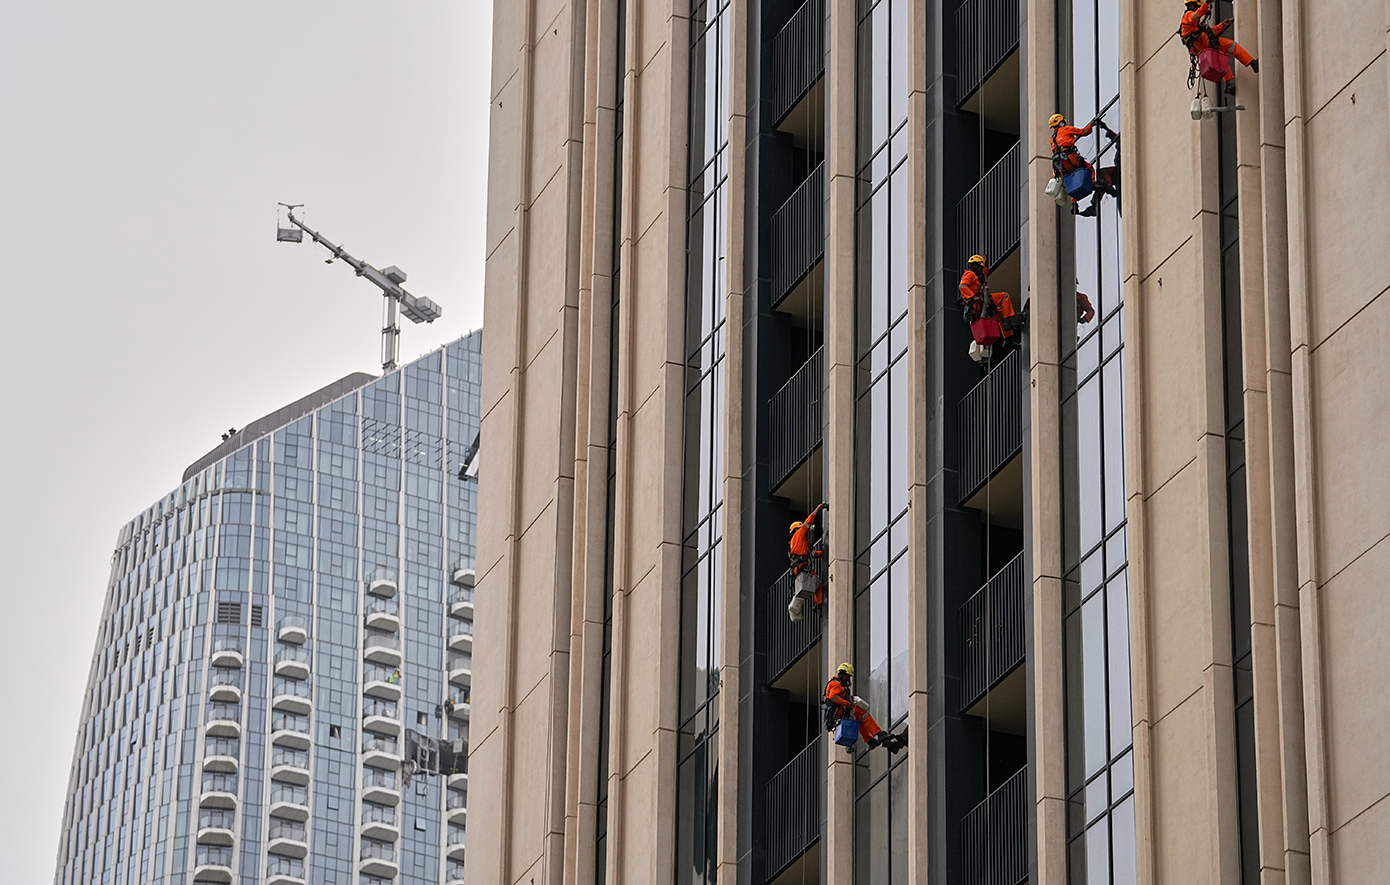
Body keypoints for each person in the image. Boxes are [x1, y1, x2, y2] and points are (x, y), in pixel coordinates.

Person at [823, 663, 907, 753]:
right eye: (847, 676)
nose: (848, 679)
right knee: (862, 713)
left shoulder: (835, 683)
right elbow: (833, 697)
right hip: (839, 710)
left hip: (838, 712)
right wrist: (847, 703)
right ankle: (878, 733)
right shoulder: (837, 684)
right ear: (842, 674)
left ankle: (870, 740)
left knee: (859, 718)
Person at [1050, 114, 1118, 216]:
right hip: (1070, 158)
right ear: (1061, 122)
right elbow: (1084, 132)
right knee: (1089, 168)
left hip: (1061, 165)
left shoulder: (1052, 138)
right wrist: (1092, 124)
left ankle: (1074, 203)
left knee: (1072, 180)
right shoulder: (1066, 129)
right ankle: (1094, 182)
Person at [1181, 1, 1258, 82]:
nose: (1198, 9)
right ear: (1192, 5)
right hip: (1202, 43)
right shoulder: (1187, 16)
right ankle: (1253, 63)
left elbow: (1209, 32)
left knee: (1220, 56)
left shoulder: (1193, 26)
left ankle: (1228, 84)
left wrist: (1223, 25)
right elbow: (1197, 15)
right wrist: (1206, 4)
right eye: (1197, 7)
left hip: (1200, 46)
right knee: (1231, 45)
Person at [960, 254, 1026, 340]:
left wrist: (985, 264)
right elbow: (962, 286)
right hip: (977, 304)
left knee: (1000, 313)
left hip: (979, 305)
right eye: (980, 267)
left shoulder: (977, 276)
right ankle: (1007, 322)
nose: (982, 270)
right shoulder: (970, 274)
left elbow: (984, 275)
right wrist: (972, 297)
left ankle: (1008, 337)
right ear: (975, 265)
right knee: (1004, 297)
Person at [787, 503, 827, 622]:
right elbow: (808, 522)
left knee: (813, 582)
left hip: (798, 567)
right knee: (816, 582)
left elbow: (812, 554)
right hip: (802, 566)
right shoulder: (799, 533)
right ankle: (819, 604)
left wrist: (824, 553)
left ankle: (818, 604)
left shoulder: (795, 544)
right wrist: (817, 510)